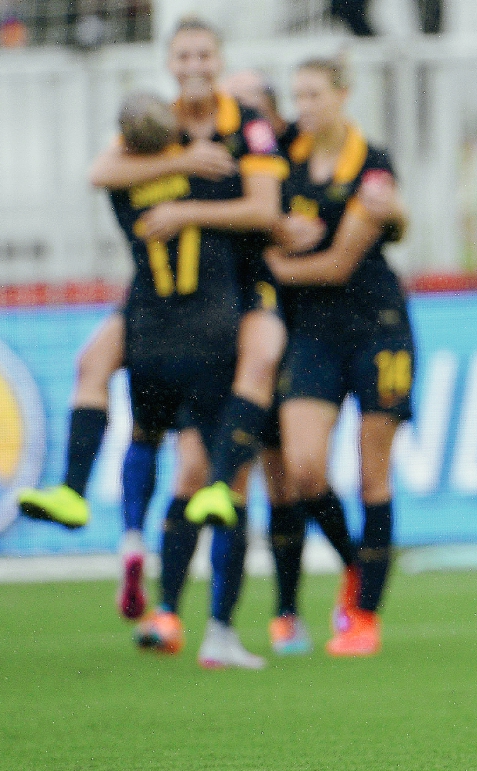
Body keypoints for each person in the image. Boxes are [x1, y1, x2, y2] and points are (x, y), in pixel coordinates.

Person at [88, 17, 288, 668]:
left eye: (205, 52)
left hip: (245, 291)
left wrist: (185, 209)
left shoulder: (248, 125)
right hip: (179, 310)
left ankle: (211, 620)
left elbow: (264, 210)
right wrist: (179, 164)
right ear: (170, 62)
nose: (195, 63)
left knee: (252, 381)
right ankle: (173, 610)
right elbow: (101, 170)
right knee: (194, 471)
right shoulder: (154, 127)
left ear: (220, 59)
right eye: (184, 54)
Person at [261, 58, 412, 658]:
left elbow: (339, 264)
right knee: (303, 471)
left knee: (373, 472)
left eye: (316, 94)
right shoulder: (283, 161)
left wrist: (272, 264)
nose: (306, 106)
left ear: (344, 95)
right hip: (313, 332)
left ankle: (365, 616)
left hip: (378, 327)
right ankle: (357, 565)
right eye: (298, 95)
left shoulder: (370, 167)